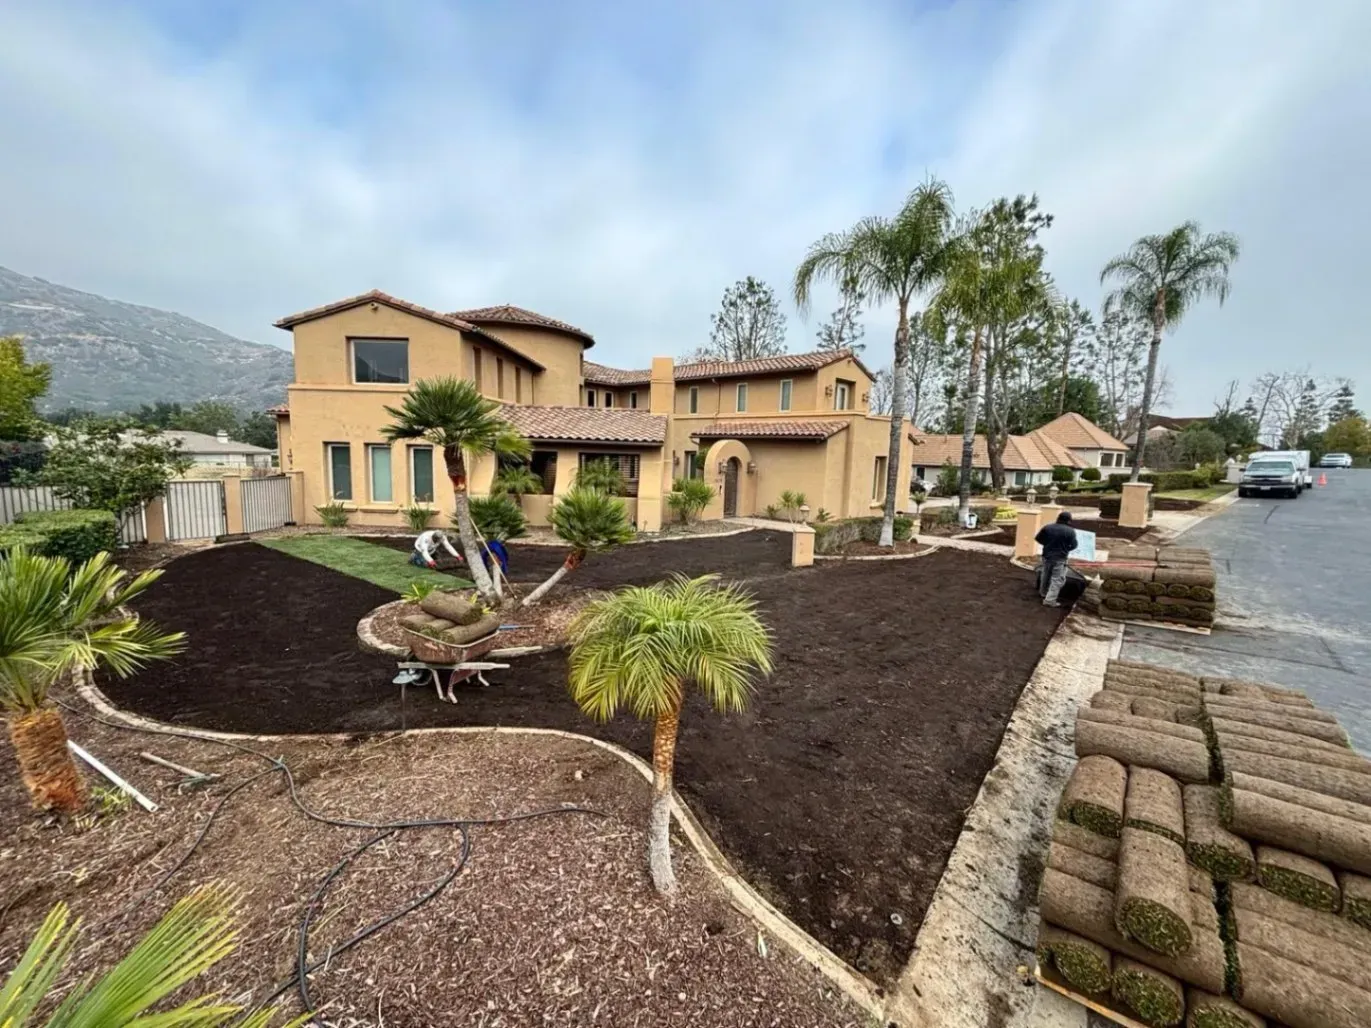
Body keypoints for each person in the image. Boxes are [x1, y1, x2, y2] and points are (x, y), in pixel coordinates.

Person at [1035, 510, 1078, 607]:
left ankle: (1043, 593)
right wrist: (1066, 549)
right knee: (1057, 579)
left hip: (1046, 556)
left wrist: (1047, 544)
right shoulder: (1070, 531)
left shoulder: (1048, 527)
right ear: (1069, 520)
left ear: (1058, 518)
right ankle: (1049, 600)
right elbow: (1074, 545)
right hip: (1060, 558)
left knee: (1045, 574)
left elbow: (1038, 538)